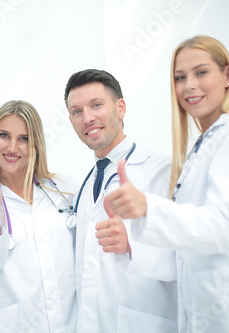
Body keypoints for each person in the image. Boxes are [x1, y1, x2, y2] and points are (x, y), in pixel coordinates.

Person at [104, 35, 229, 332]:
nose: (189, 85)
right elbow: (188, 251)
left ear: (226, 76)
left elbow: (219, 228)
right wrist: (131, 246)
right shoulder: (203, 147)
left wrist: (147, 206)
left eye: (201, 72)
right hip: (211, 311)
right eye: (180, 77)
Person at [64, 69, 178, 332]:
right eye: (76, 111)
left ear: (121, 108)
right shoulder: (86, 184)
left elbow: (188, 255)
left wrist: (131, 246)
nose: (87, 118)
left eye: (96, 105)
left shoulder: (162, 171)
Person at [0, 100, 78, 332]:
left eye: (23, 138)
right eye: (4, 135)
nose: (12, 147)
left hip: (72, 322)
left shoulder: (66, 189)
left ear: (36, 144)